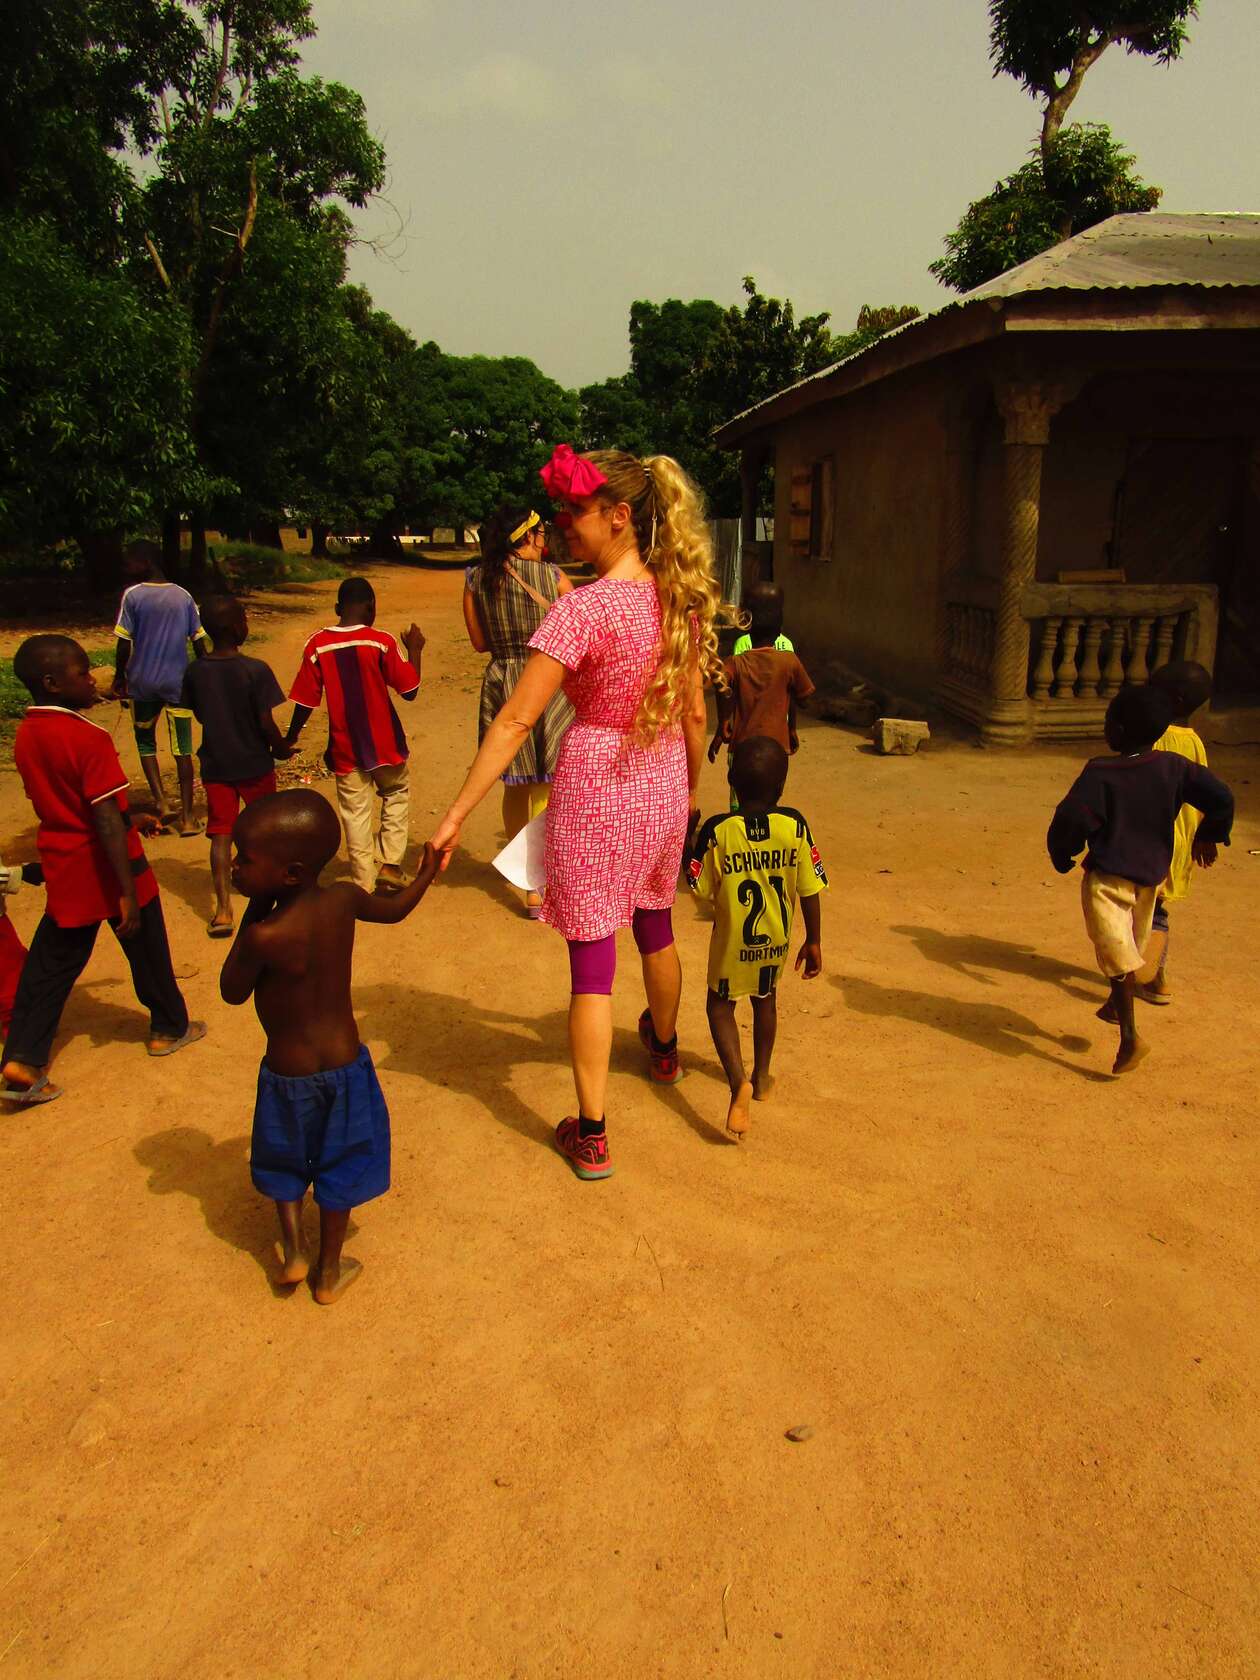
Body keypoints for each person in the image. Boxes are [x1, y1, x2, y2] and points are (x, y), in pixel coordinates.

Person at [432, 443, 724, 1181]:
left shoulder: (581, 609)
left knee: (593, 962)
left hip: (596, 782)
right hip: (662, 779)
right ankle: (664, 1052)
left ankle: (592, 1134)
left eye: (573, 511)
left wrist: (457, 812)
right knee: (656, 923)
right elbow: (695, 716)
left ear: (619, 515)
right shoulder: (676, 601)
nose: (562, 523)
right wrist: (686, 793)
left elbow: (515, 721)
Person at [220, 790, 440, 1302]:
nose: (234, 867)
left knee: (285, 1159)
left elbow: (231, 990)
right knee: (342, 1161)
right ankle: (329, 1271)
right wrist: (425, 874)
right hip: (346, 1068)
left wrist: (254, 909)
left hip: (287, 1074)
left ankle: (295, 1250)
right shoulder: (343, 899)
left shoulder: (264, 936)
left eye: (245, 860)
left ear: (290, 874)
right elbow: (395, 910)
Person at [2, 635, 205, 1105]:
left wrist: (131, 817)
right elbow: (105, 820)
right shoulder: (88, 737)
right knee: (147, 947)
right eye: (81, 672)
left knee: (51, 965)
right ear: (52, 683)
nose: (92, 679)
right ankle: (168, 1027)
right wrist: (126, 890)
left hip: (65, 863)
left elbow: (76, 806)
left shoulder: (28, 734)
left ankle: (23, 1057)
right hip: (111, 866)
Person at [1046, 684, 1233, 1077]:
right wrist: (1211, 832)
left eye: (1107, 721)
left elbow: (1072, 819)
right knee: (1129, 944)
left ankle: (1130, 1038)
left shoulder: (1100, 773)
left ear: (1116, 729)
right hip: (1151, 877)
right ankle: (1120, 1002)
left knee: (1115, 952)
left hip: (1109, 879)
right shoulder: (1174, 767)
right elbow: (1221, 797)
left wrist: (1062, 853)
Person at [687, 737, 826, 1138]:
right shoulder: (794, 826)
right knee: (766, 1001)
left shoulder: (719, 830)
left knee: (719, 1007)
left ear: (731, 781)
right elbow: (809, 888)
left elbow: (698, 886)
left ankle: (738, 1083)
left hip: (732, 943)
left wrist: (688, 840)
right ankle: (762, 1076)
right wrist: (813, 939)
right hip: (775, 941)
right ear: (782, 786)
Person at [463, 505, 576, 915]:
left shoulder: (475, 579)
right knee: (546, 784)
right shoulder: (553, 576)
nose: (544, 539)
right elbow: (578, 628)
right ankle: (538, 884)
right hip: (547, 681)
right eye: (540, 532)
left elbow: (479, 642)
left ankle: (523, 876)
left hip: (502, 682)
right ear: (526, 536)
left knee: (515, 783)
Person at [284, 577, 425, 894]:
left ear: (337, 608)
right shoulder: (381, 641)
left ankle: (363, 883)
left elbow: (305, 700)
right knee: (396, 793)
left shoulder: (317, 645)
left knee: (355, 813)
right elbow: (410, 690)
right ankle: (390, 865)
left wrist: (290, 737)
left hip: (345, 748)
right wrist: (415, 650)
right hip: (385, 743)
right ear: (372, 607)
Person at [180, 594, 292, 938]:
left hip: (217, 764)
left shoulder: (196, 671)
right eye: (243, 619)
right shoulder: (255, 670)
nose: (246, 625)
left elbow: (200, 714)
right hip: (255, 762)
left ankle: (223, 910)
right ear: (234, 628)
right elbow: (265, 722)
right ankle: (274, 900)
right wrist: (282, 748)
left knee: (221, 834)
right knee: (266, 831)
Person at [110, 538, 208, 836]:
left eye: (130, 562)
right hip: (178, 682)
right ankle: (188, 818)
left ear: (145, 562)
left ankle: (162, 803)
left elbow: (124, 642)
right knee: (183, 748)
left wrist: (119, 677)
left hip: (142, 682)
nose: (126, 567)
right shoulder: (183, 596)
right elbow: (199, 643)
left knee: (145, 742)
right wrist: (204, 675)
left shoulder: (133, 596)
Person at [1140, 659, 1214, 1002]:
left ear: (1175, 700)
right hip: (1179, 842)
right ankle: (1156, 975)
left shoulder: (1154, 739)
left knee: (1142, 910)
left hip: (1148, 841)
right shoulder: (1195, 742)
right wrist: (1206, 835)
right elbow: (1208, 794)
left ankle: (1149, 976)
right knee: (1153, 906)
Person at [708, 582, 815, 783]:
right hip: (777, 750)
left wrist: (723, 721)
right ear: (780, 623)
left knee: (742, 796)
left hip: (742, 748)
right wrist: (791, 727)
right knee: (770, 794)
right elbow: (801, 698)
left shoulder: (736, 662)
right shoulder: (789, 661)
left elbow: (719, 680)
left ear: (745, 621)